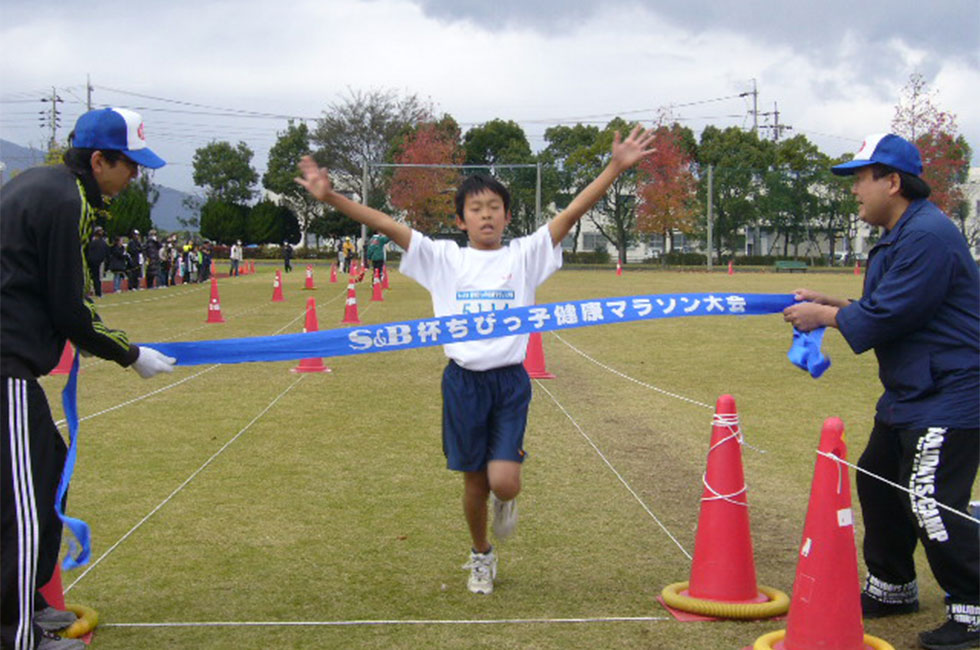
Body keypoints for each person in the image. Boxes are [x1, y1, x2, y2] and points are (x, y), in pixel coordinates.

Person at [296, 125, 655, 596]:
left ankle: (506, 502)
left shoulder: (526, 255)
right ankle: (481, 554)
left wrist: (614, 168)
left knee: (503, 483)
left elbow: (572, 213)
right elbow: (385, 224)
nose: (486, 216)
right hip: (462, 383)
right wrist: (331, 198)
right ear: (461, 220)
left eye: (494, 209)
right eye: (475, 209)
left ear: (507, 215)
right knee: (473, 484)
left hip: (509, 382)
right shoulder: (443, 258)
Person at [782, 133, 979, 650]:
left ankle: (974, 605)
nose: (854, 191)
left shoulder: (927, 237)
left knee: (931, 498)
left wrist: (823, 315)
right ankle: (892, 586)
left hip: (951, 392)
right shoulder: (900, 236)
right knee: (876, 480)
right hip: (913, 392)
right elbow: (888, 307)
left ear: (893, 182)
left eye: (861, 179)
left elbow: (891, 314)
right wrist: (832, 301)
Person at [1, 107, 177, 650]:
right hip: (4, 362)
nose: (134, 178)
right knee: (23, 503)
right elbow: (70, 308)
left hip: (14, 363)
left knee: (48, 467)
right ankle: (17, 635)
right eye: (129, 166)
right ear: (99, 160)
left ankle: (27, 602)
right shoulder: (67, 199)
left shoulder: (39, 184)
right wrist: (130, 353)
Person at [84, 226, 108, 298]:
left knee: (92, 277)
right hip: (98, 262)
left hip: (91, 261)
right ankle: (98, 292)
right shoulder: (102, 243)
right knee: (97, 278)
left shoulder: (91, 242)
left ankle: (91, 291)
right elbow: (106, 252)